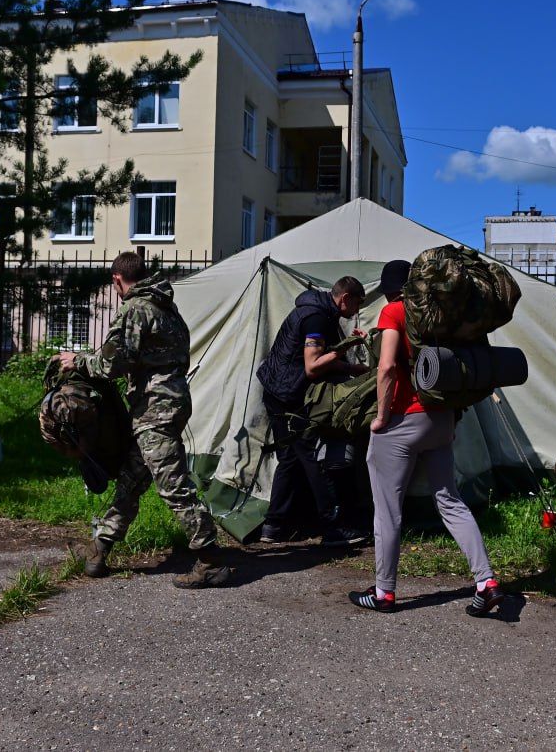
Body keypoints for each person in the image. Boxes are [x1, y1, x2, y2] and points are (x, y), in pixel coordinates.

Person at [58, 251, 230, 589]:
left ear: (117, 280)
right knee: (132, 480)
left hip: (156, 410)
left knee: (173, 486)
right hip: (166, 404)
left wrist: (76, 361)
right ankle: (99, 548)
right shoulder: (166, 306)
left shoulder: (136, 309)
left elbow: (111, 365)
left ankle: (210, 561)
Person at [348, 259, 504, 615]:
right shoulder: (440, 315)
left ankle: (384, 592)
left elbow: (387, 366)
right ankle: (486, 581)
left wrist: (382, 418)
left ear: (391, 290)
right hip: (441, 420)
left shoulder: (393, 311)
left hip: (404, 421)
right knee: (449, 500)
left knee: (388, 510)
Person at [256, 276, 369, 546]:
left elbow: (320, 360)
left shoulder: (319, 313)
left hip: (277, 392)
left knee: (290, 458)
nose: (357, 310)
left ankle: (273, 526)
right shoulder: (317, 318)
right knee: (312, 457)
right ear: (345, 298)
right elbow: (313, 366)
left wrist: (351, 369)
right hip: (287, 397)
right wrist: (347, 348)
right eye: (358, 303)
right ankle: (331, 528)